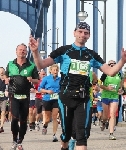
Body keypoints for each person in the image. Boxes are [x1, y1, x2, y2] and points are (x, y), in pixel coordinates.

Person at [29, 21, 126, 150]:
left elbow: (111, 71)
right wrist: (35, 52)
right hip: (66, 97)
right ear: (74, 33)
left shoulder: (91, 55)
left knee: (82, 134)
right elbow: (41, 65)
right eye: (80, 32)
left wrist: (123, 61)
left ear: (89, 36)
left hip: (84, 98)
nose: (82, 35)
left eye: (86, 33)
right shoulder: (64, 51)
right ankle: (64, 145)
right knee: (67, 133)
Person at [5, 43, 39, 150]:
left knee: (23, 120)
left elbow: (37, 80)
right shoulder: (10, 64)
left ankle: (20, 141)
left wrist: (31, 79)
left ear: (27, 52)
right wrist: (6, 79)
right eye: (20, 50)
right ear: (16, 51)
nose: (22, 52)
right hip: (13, 94)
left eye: (24, 50)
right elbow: (6, 75)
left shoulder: (31, 65)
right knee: (15, 118)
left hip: (25, 95)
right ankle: (15, 139)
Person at [100, 60, 123, 140]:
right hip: (105, 96)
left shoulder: (119, 74)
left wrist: (120, 89)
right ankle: (103, 121)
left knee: (112, 114)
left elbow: (120, 85)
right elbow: (100, 85)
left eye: (114, 63)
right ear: (108, 66)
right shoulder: (105, 74)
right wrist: (107, 88)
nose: (112, 65)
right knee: (105, 116)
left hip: (114, 96)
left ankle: (111, 133)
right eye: (110, 64)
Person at [39, 64, 60, 142]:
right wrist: (47, 91)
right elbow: (40, 88)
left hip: (56, 99)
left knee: (55, 117)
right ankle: (45, 126)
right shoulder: (46, 79)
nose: (55, 71)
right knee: (47, 118)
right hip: (47, 99)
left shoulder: (60, 79)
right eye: (54, 70)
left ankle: (54, 135)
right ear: (50, 71)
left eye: (56, 70)